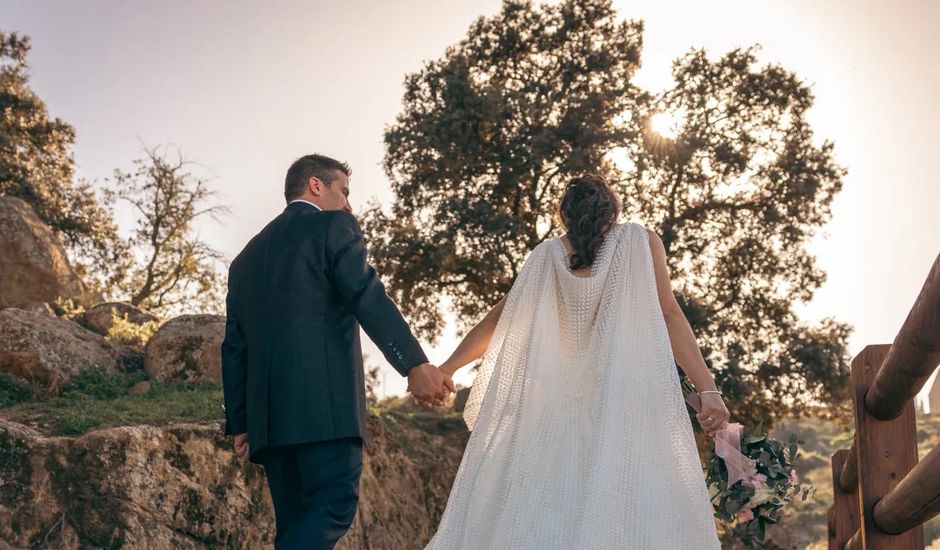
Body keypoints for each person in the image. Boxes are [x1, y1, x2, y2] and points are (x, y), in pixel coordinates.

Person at [423, 174, 729, 549]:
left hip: (553, 422)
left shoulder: (544, 258)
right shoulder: (640, 241)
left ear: (564, 215)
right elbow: (669, 316)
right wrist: (708, 389)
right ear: (610, 208)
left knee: (547, 520)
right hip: (625, 415)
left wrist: (448, 368)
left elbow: (500, 320)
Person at [220, 154, 454, 549]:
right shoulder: (335, 226)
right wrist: (413, 362)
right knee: (334, 506)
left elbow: (235, 345)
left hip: (269, 423)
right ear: (315, 185)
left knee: (295, 527)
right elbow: (366, 294)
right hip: (324, 414)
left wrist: (242, 421)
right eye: (343, 191)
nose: (348, 204)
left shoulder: (245, 258)